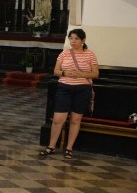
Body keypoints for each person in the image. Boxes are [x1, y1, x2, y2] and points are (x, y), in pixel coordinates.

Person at [39, 29, 99, 160]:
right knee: (57, 120)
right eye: (71, 38)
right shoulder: (64, 53)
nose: (73, 41)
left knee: (75, 120)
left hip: (82, 89)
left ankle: (69, 148)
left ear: (83, 41)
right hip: (64, 88)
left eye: (76, 39)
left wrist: (81, 74)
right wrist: (66, 73)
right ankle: (51, 146)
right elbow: (56, 71)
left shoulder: (90, 55)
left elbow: (95, 74)